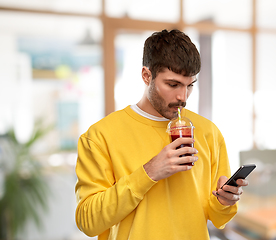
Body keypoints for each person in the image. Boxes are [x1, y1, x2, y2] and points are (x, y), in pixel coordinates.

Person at [75, 29, 248, 240]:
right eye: (173, 84)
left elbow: (218, 218)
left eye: (189, 85)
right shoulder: (100, 136)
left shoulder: (209, 132)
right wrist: (148, 172)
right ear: (146, 76)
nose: (182, 97)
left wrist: (225, 201)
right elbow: (88, 222)